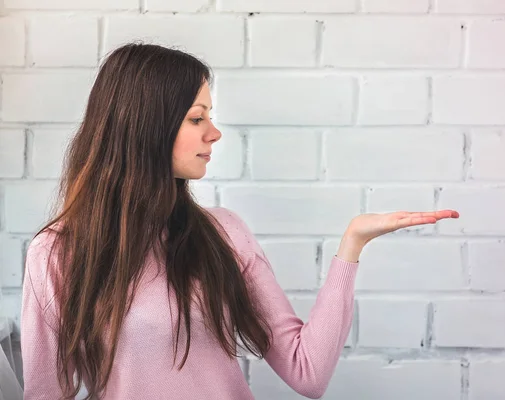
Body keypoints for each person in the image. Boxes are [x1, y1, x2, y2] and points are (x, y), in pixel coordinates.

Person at [20, 43, 459, 400]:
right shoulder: (58, 253)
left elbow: (307, 373)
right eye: (197, 118)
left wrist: (352, 245)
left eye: (209, 116)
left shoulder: (223, 233)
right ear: (145, 127)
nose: (214, 132)